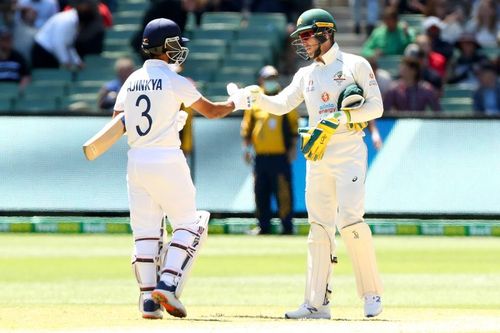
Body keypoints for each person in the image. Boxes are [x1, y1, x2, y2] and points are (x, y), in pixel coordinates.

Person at [229, 8, 384, 319]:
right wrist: (256, 96)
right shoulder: (305, 74)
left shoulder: (355, 64)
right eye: (300, 36)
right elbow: (281, 104)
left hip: (349, 152)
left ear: (326, 33)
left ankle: (371, 295)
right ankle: (316, 304)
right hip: (318, 155)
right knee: (319, 226)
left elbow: (376, 107)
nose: (302, 42)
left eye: (307, 35)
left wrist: (342, 117)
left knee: (351, 221)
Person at [112, 18, 248, 320]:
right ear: (166, 46)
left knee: (145, 234)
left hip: (136, 161)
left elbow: (117, 119)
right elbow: (211, 111)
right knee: (191, 223)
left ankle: (148, 301)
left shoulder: (131, 79)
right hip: (166, 159)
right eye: (176, 43)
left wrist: (167, 120)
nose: (179, 50)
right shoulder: (173, 78)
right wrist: (235, 103)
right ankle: (169, 282)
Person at [240, 65, 299, 235]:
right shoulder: (255, 101)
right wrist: (246, 149)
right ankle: (263, 225)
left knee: (284, 191)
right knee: (260, 191)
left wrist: (292, 149)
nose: (271, 81)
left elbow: (294, 127)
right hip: (261, 156)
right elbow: (247, 128)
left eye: (274, 78)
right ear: (260, 80)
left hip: (280, 156)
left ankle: (287, 225)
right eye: (267, 78)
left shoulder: (284, 99)